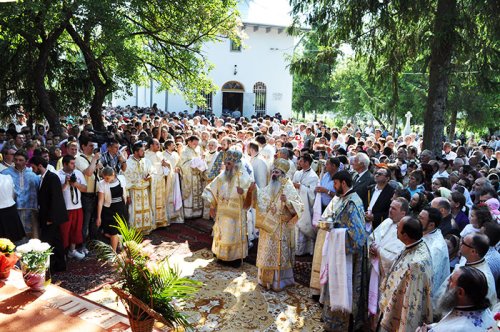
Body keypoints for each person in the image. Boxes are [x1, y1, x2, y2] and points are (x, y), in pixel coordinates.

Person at [319, 170, 368, 331]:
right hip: (336, 250)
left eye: (335, 183)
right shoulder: (341, 198)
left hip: (347, 257)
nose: (334, 186)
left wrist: (336, 230)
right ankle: (330, 318)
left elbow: (359, 237)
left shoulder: (352, 202)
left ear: (343, 183)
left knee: (343, 286)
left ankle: (341, 324)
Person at [248, 158, 304, 291]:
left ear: (283, 174)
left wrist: (288, 202)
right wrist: (254, 190)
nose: (274, 174)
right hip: (268, 227)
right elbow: (262, 198)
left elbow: (300, 207)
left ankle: (279, 282)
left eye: (277, 172)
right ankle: (264, 280)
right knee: (267, 252)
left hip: (281, 227)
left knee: (278, 254)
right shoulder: (270, 186)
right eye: (273, 171)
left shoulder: (288, 187)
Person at [378, 216, 433, 332]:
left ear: (405, 236)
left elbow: (413, 304)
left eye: (398, 228)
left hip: (399, 316)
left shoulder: (416, 264)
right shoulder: (417, 245)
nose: (396, 229)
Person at [202, 150, 252, 267]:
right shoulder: (222, 176)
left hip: (236, 215)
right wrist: (212, 206)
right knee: (222, 234)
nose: (226, 166)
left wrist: (244, 191)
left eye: (229, 164)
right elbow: (212, 189)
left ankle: (234, 259)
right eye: (226, 163)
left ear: (236, 164)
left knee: (233, 236)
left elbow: (252, 194)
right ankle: (221, 256)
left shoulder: (244, 178)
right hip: (222, 212)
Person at [416, 266, 498, 332]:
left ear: (460, 292)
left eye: (451, 280)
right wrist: (432, 327)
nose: (448, 281)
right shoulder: (483, 309)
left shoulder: (460, 328)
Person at [435, 233, 497, 315]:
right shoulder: (466, 259)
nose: (460, 243)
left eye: (463, 243)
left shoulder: (483, 279)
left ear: (473, 251)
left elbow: (476, 311)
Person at [367, 198, 407, 319]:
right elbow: (371, 238)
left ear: (403, 213)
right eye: (390, 207)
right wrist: (371, 248)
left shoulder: (405, 230)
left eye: (394, 208)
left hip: (385, 276)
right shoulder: (386, 222)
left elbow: (397, 257)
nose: (390, 210)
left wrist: (379, 251)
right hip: (374, 267)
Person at [30, 156, 68, 273]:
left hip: (50, 218)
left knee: (48, 242)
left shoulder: (52, 177)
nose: (32, 170)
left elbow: (56, 199)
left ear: (40, 166)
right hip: (48, 216)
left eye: (33, 167)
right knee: (55, 241)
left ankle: (52, 266)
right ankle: (58, 265)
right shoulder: (44, 177)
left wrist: (51, 218)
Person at [1, 150, 40, 239]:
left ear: (26, 161)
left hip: (31, 209)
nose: (17, 162)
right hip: (12, 209)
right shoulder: (5, 173)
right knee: (15, 234)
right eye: (16, 159)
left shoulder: (33, 174)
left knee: (32, 235)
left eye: (21, 160)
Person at [58, 155, 88, 260]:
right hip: (65, 208)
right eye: (71, 163)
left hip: (77, 206)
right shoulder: (58, 175)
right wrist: (66, 183)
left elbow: (85, 188)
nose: (74, 165)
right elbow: (57, 192)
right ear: (65, 164)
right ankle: (63, 253)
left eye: (74, 163)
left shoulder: (78, 173)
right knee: (64, 232)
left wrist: (75, 184)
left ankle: (72, 251)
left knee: (76, 230)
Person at [419, 207, 451, 297]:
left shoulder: (437, 248)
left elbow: (431, 278)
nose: (417, 220)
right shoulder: (424, 232)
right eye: (419, 216)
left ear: (431, 225)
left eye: (421, 218)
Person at [292, 153, 319, 256]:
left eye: (301, 161)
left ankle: (305, 250)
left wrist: (301, 187)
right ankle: (296, 249)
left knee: (304, 226)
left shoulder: (313, 177)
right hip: (296, 202)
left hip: (306, 206)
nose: (299, 162)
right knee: (295, 226)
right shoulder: (297, 173)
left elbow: (313, 194)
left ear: (307, 163)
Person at [124, 142, 153, 234]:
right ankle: (135, 231)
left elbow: (152, 171)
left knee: (145, 211)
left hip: (144, 191)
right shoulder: (128, 163)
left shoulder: (146, 161)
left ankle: (145, 229)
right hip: (134, 191)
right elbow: (125, 181)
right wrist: (127, 195)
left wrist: (150, 176)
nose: (144, 152)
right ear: (136, 152)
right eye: (141, 151)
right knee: (134, 212)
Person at [96, 167, 127, 252]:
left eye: (107, 178)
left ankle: (116, 248)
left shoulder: (121, 178)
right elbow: (100, 201)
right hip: (109, 210)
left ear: (113, 175)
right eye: (104, 177)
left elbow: (125, 191)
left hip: (121, 208)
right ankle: (114, 251)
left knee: (119, 230)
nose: (105, 179)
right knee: (111, 232)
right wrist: (98, 217)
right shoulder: (102, 184)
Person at [179, 135, 204, 219]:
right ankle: (188, 213)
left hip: (197, 176)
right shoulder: (184, 151)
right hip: (189, 176)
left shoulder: (197, 150)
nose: (196, 146)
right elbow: (182, 165)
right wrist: (192, 162)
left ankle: (197, 212)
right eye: (194, 144)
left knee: (198, 193)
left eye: (197, 144)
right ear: (189, 142)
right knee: (190, 195)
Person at [144, 138, 168, 228]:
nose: (159, 146)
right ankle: (153, 222)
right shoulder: (146, 154)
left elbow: (166, 164)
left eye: (159, 144)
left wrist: (166, 164)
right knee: (152, 200)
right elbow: (145, 168)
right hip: (152, 181)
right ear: (151, 145)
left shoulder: (160, 154)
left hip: (161, 180)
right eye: (157, 144)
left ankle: (161, 221)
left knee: (161, 200)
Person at [0, 173, 26, 243]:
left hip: (7, 209)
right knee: (12, 240)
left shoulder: (8, 177)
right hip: (11, 209)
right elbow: (13, 194)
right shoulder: (8, 177)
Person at [163, 139, 184, 224]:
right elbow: (163, 166)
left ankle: (177, 216)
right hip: (168, 179)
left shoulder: (175, 154)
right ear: (168, 146)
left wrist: (178, 169)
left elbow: (179, 164)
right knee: (168, 196)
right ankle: (168, 216)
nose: (174, 146)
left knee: (176, 195)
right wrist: (171, 168)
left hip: (176, 177)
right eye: (172, 145)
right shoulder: (163, 155)